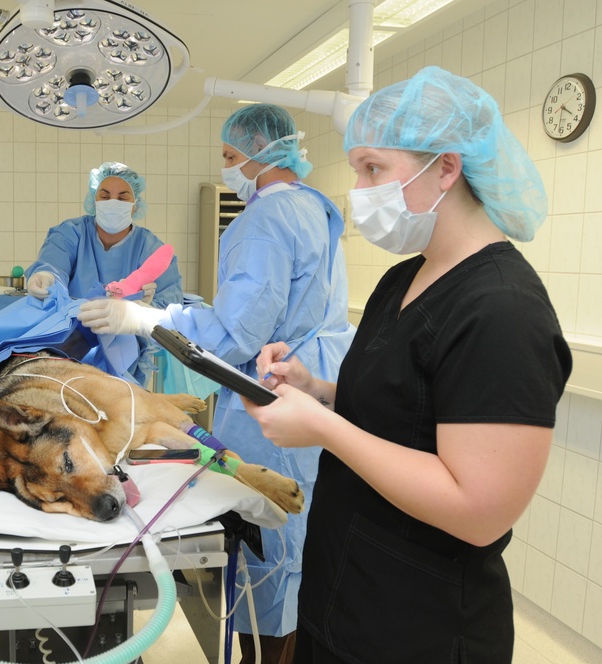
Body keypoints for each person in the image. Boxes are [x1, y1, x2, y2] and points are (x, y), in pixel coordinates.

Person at [241, 66, 573, 664]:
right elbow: (398, 408)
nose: (361, 190)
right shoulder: (402, 280)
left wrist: (324, 430)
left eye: (374, 169)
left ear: (447, 167)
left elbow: (478, 510)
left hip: (421, 626)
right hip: (344, 594)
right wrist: (315, 390)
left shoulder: (502, 310)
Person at [78, 104, 355, 664]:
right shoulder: (314, 209)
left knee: (268, 532)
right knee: (304, 531)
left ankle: (267, 647)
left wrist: (148, 321)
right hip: (317, 379)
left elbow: (237, 334)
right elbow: (271, 305)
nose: (228, 167)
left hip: (274, 387)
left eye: (231, 156)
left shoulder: (265, 221)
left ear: (262, 154)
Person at [25, 161, 183, 309]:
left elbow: (169, 307)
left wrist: (145, 310)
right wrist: (47, 277)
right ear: (94, 201)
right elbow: (54, 265)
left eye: (122, 198)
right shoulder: (70, 233)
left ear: (136, 206)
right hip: (72, 329)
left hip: (129, 335)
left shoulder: (150, 248)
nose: (113, 203)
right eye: (105, 197)